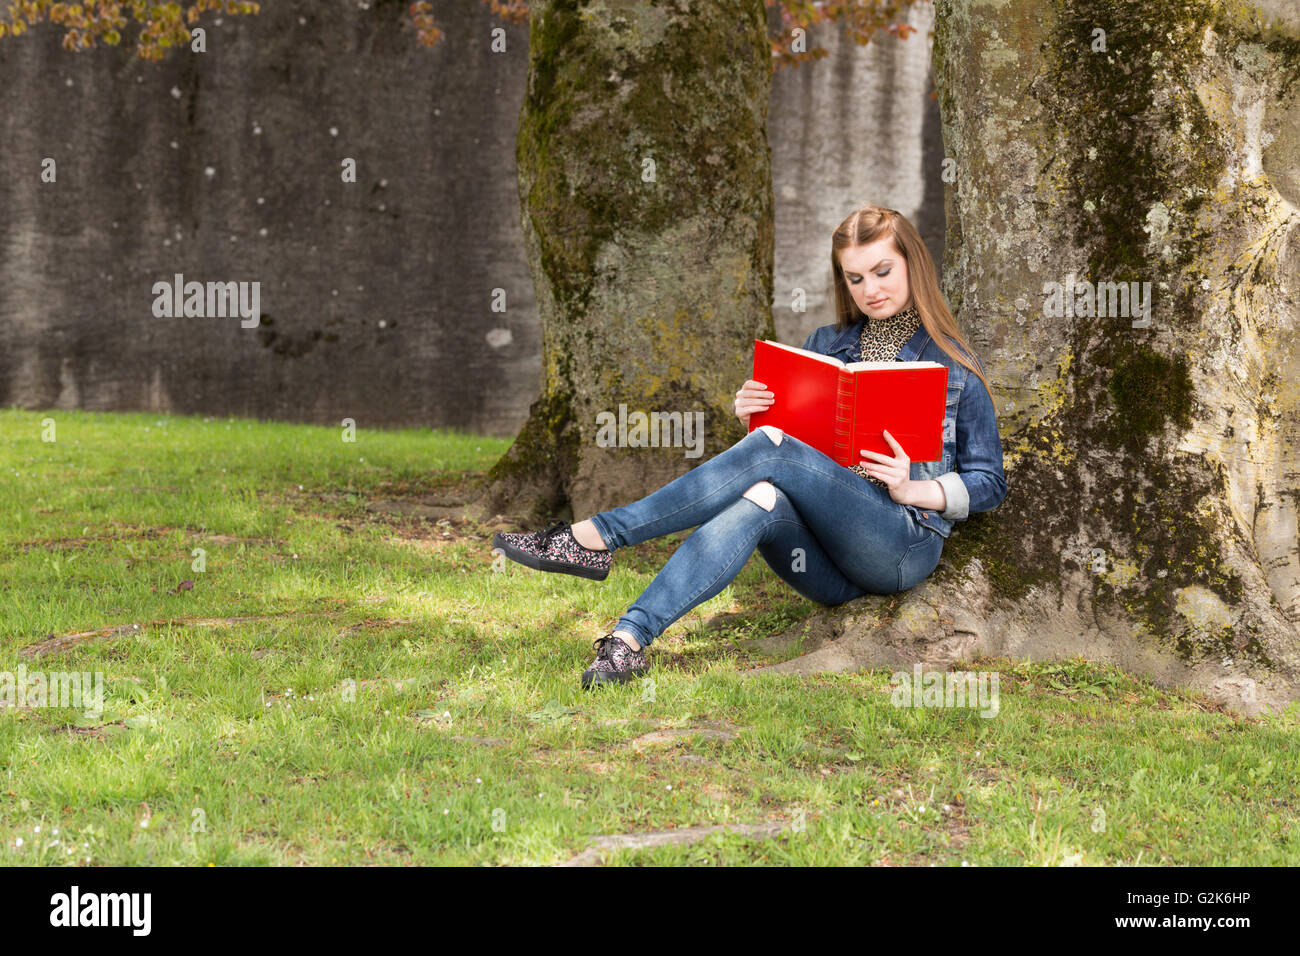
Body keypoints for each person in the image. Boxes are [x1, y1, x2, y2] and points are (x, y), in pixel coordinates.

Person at [493, 203, 1007, 689]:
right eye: (855, 278)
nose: (870, 289)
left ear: (912, 265)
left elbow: (990, 483)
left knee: (772, 450)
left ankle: (597, 537)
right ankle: (628, 640)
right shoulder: (828, 345)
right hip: (829, 564)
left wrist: (914, 488)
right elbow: (797, 453)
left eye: (882, 271)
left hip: (900, 546)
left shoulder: (952, 364)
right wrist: (759, 418)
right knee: (760, 495)